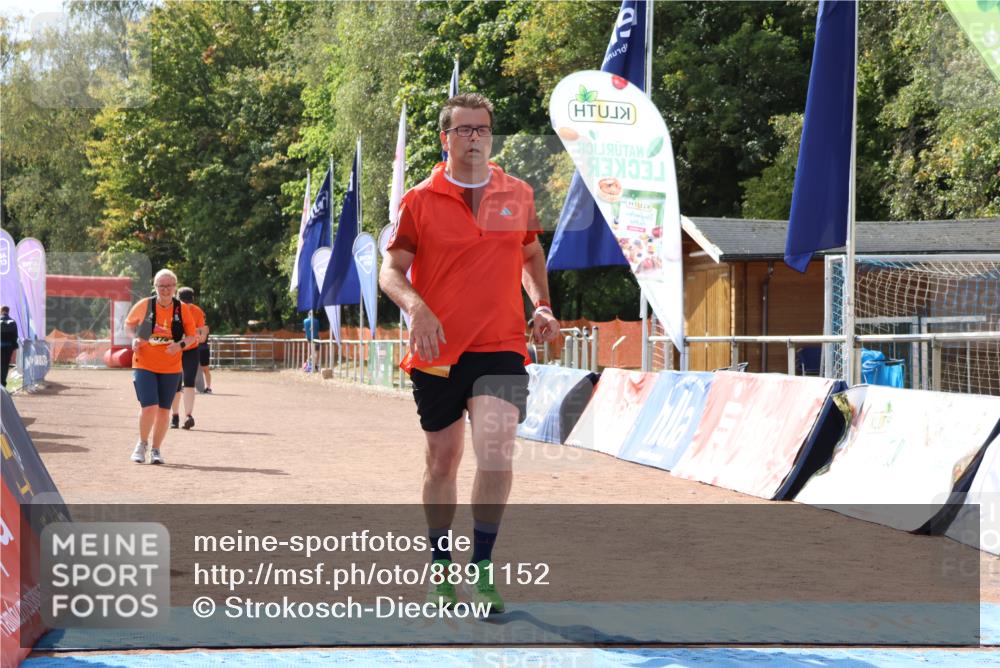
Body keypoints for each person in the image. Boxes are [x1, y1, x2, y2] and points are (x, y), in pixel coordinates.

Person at [379, 93, 560, 614]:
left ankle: (482, 570)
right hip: (436, 348)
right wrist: (418, 310)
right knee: (443, 460)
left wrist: (543, 304)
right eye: (464, 130)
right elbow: (391, 272)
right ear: (445, 138)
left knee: (497, 450)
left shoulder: (516, 194)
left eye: (483, 129)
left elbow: (529, 252)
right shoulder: (420, 199)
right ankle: (441, 570)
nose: (475, 138)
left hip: (500, 345)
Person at [123, 269, 197, 464]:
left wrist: (179, 345)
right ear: (155, 287)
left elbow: (192, 336)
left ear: (175, 287)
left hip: (171, 367)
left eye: (169, 286)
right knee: (150, 408)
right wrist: (133, 340)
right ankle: (142, 444)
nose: (165, 290)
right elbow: (129, 326)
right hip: (144, 363)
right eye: (161, 286)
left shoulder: (182, 309)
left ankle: (156, 450)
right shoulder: (145, 305)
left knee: (164, 411)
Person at [170, 287, 209, 429]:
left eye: (189, 302)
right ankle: (175, 416)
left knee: (188, 382)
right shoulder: (172, 309)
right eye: (184, 302)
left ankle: (187, 416)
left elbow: (201, 332)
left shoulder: (197, 311)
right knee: (177, 383)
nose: (187, 305)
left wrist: (196, 336)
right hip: (175, 350)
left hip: (191, 349)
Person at [0, 306, 19, 388]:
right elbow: (15, 336)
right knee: (4, 365)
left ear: (1, 311)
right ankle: (2, 384)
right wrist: (14, 346)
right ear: (8, 311)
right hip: (8, 347)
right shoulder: (13, 321)